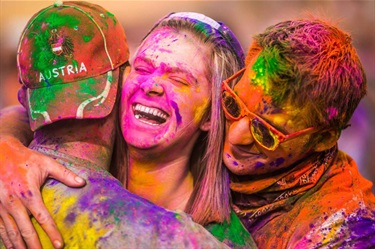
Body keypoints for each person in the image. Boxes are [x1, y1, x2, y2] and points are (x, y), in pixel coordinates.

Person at [0, 2, 255, 249]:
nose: (151, 85)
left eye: (179, 80)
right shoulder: (79, 164)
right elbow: (22, 112)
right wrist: (6, 146)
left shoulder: (221, 238)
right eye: (143, 69)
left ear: (211, 115)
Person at [220, 18, 375, 248]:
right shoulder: (205, 123)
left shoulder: (344, 228)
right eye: (233, 104)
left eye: (266, 131)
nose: (235, 136)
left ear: (323, 139)